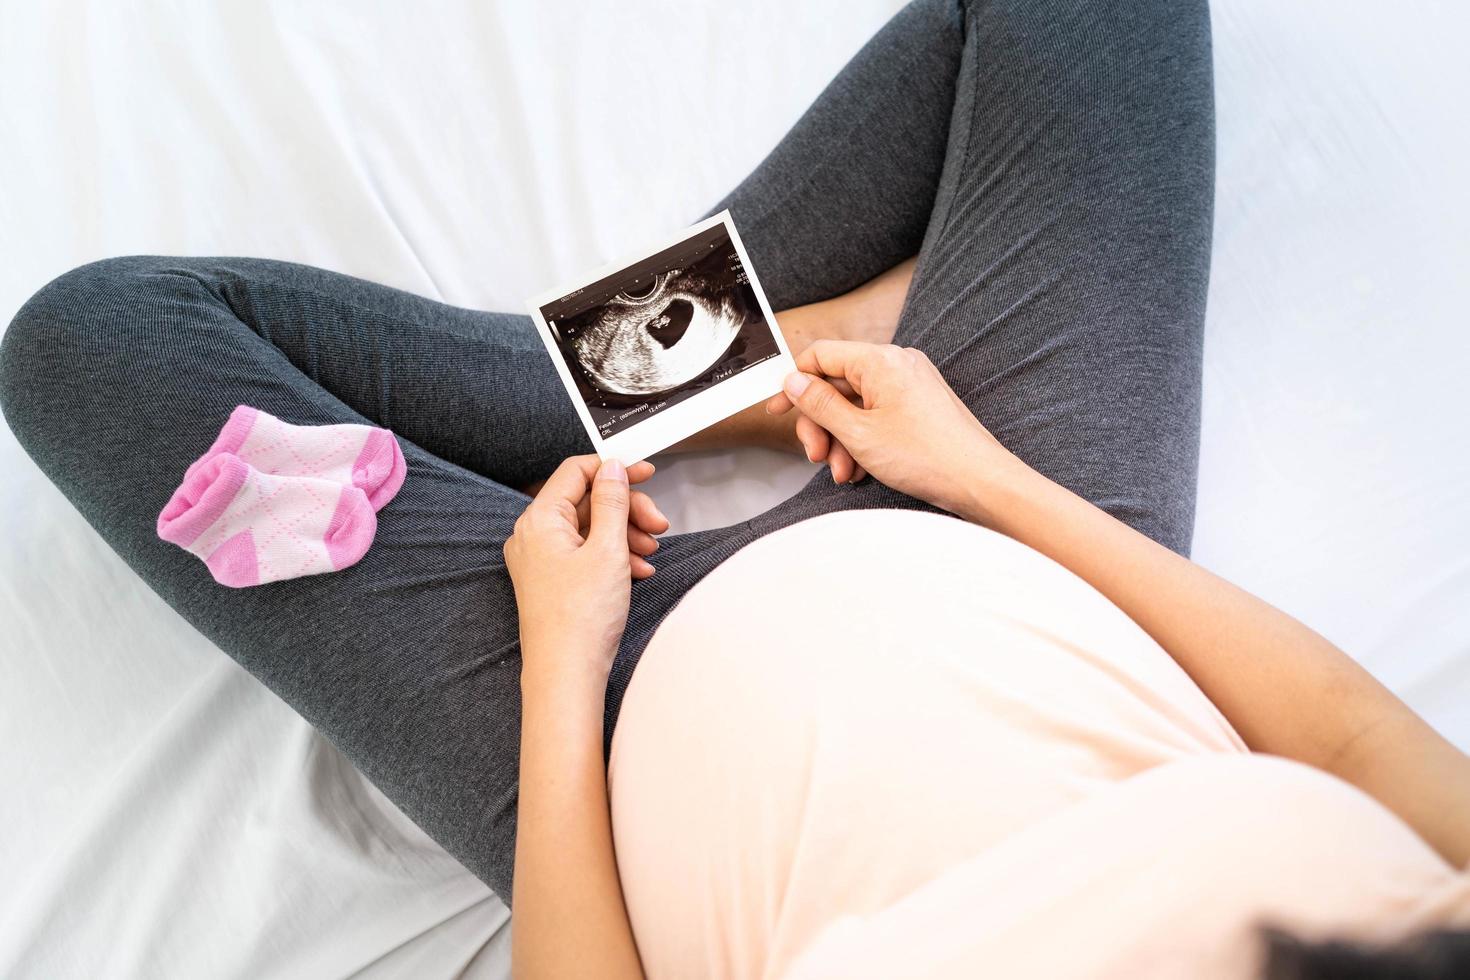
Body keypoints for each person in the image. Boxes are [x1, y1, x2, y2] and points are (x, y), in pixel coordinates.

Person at [1, 0, 1465, 977]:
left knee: (96, 345)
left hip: (609, 714)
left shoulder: (581, 682)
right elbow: (1340, 731)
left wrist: (564, 671)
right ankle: (722, 369)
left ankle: (677, 367)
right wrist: (984, 478)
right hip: (1031, 546)